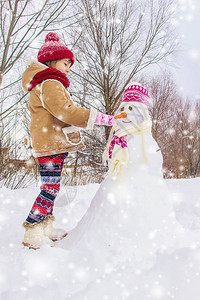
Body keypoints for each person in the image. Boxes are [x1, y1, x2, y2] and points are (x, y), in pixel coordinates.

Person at [21, 32, 115, 249]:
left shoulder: (44, 83)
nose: (68, 68)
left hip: (50, 144)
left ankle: (44, 227)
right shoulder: (50, 82)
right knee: (49, 189)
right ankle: (32, 229)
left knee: (51, 187)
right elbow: (65, 112)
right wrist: (101, 118)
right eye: (66, 63)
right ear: (52, 61)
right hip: (49, 145)